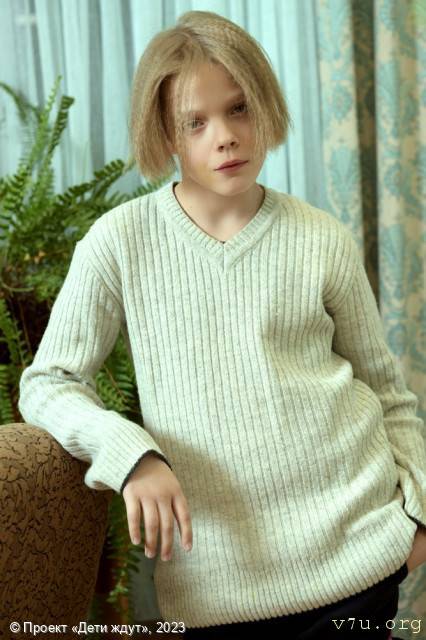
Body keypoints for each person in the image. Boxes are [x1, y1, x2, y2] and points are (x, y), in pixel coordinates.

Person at [18, 9, 426, 640]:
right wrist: (132, 456)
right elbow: (47, 383)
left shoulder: (321, 238)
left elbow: (387, 394)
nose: (226, 137)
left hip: (359, 563)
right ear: (165, 132)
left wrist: (419, 516)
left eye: (239, 109)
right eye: (196, 121)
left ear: (265, 104)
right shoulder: (118, 243)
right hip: (217, 591)